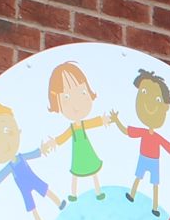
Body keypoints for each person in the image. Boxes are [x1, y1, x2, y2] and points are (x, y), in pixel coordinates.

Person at [0, 102, 58, 220]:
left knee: (45, 190)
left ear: (18, 131)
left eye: (6, 132)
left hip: (32, 179)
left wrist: (42, 150)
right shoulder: (10, 166)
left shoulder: (21, 157)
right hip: (24, 187)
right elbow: (2, 174)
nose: (2, 145)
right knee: (32, 207)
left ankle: (59, 203)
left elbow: (33, 154)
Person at [41, 60, 116, 199]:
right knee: (76, 173)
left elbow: (92, 123)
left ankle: (98, 192)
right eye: (67, 97)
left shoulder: (82, 124)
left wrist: (103, 120)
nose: (76, 103)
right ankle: (73, 194)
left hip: (86, 151)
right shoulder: (73, 128)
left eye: (82, 92)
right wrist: (54, 142)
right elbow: (63, 137)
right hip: (79, 153)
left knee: (94, 171)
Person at [123, 70, 170, 213]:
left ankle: (154, 207)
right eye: (143, 93)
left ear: (165, 107)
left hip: (153, 161)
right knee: (139, 178)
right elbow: (128, 131)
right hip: (145, 158)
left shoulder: (157, 137)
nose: (148, 104)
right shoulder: (144, 132)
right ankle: (132, 195)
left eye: (157, 100)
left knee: (154, 184)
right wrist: (116, 120)